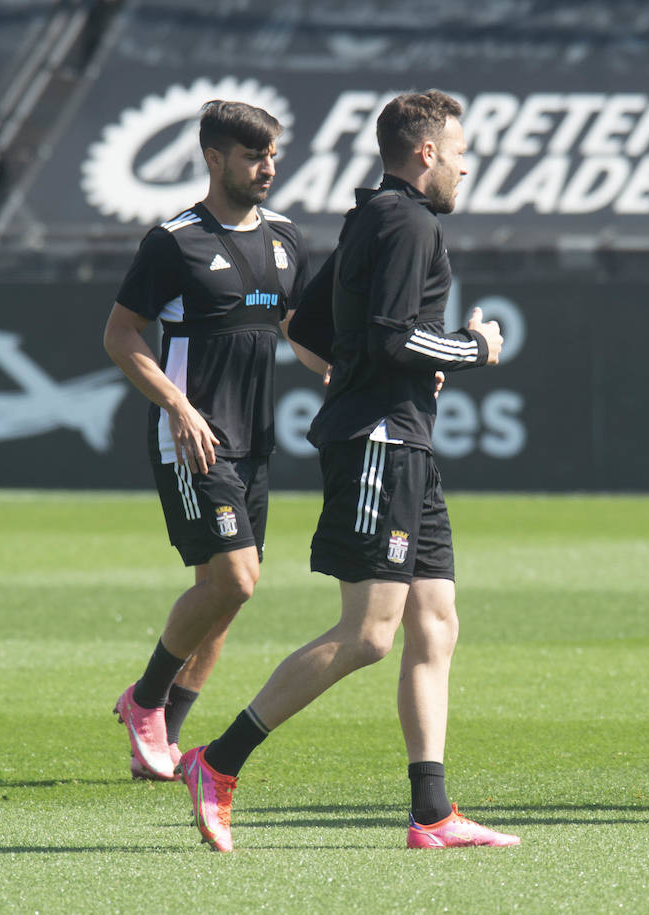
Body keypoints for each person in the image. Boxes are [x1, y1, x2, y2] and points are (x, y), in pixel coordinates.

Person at [174, 89, 519, 852]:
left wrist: (370, 369)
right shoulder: (407, 222)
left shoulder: (371, 216)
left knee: (436, 622)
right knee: (369, 634)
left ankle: (431, 812)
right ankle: (217, 763)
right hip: (380, 444)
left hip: (401, 439)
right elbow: (398, 335)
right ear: (425, 153)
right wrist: (472, 349)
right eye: (459, 150)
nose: (466, 165)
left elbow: (318, 325)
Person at [104, 100, 325, 782]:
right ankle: (144, 700)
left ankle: (159, 743)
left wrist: (346, 373)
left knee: (226, 596)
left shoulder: (286, 239)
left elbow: (302, 332)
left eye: (272, 155)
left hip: (254, 442)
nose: (268, 167)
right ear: (213, 159)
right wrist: (176, 404)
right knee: (236, 577)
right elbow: (120, 335)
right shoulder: (174, 242)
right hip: (193, 438)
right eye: (253, 156)